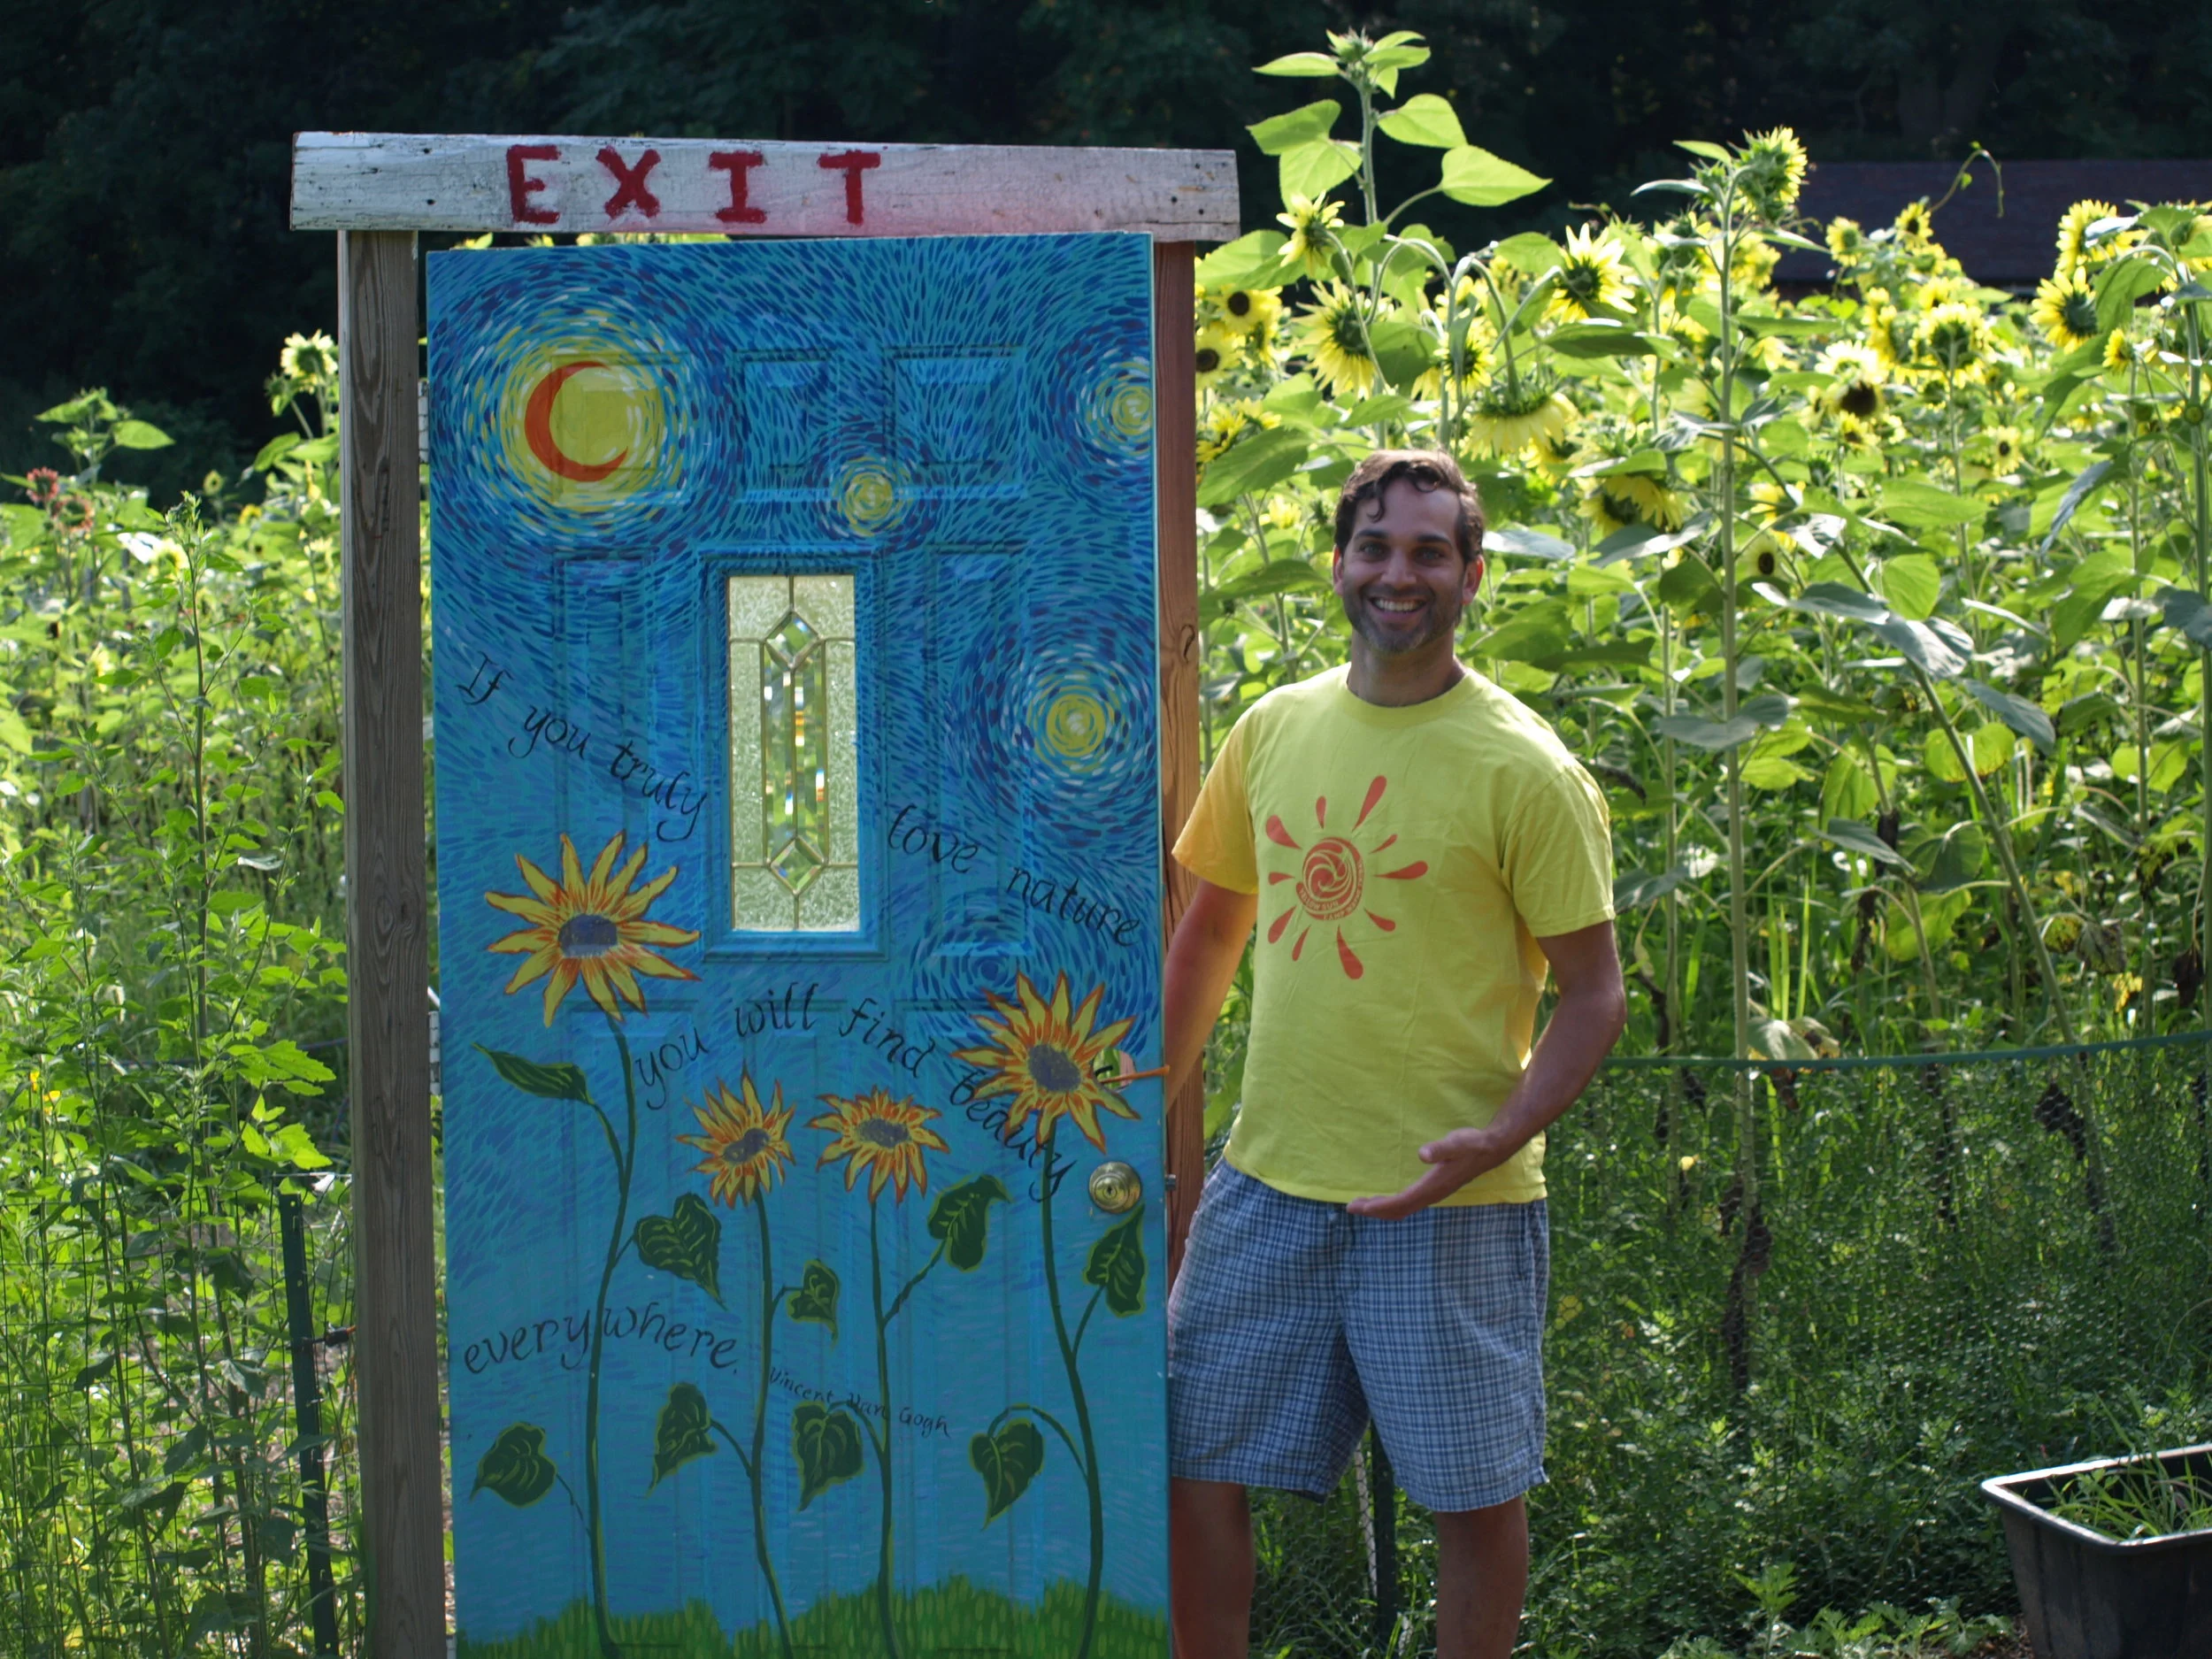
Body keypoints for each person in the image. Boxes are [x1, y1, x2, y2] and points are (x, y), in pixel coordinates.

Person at [1162, 449, 1627, 1659]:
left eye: (1430, 551)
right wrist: (1146, 1091)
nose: (1398, 574)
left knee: (1471, 1500)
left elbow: (1593, 994)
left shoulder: (1526, 769)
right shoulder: (1274, 730)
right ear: (1339, 564)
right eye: (1376, 547)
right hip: (1267, 1186)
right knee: (1187, 1459)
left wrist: (1503, 1132)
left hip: (1452, 1198)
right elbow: (1212, 928)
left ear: (1473, 576)